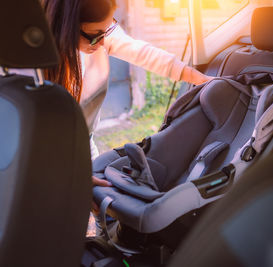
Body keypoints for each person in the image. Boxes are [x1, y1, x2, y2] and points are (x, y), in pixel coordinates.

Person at [40, 0, 213, 213]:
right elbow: (39, 141)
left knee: (101, 208)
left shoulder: (99, 35)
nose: (104, 42)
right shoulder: (32, 68)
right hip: (46, 158)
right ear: (65, 26)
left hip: (83, 145)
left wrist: (204, 80)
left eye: (109, 28)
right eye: (96, 34)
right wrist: (69, 177)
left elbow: (145, 53)